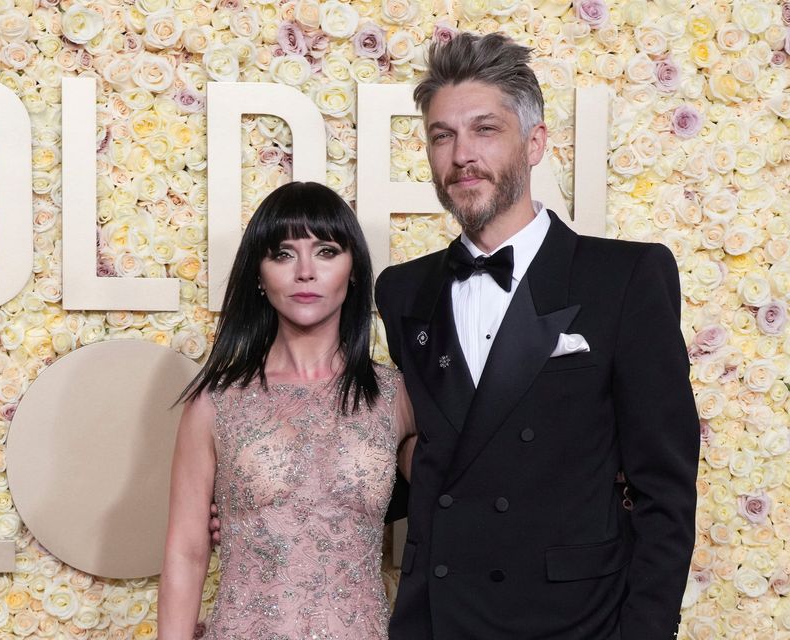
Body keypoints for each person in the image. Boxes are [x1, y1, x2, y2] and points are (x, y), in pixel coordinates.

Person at [374, 33, 700, 639]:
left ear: (536, 142)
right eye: (442, 136)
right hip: (436, 617)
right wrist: (281, 493)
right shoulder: (401, 291)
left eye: (485, 130)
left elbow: (665, 489)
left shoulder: (624, 277)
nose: (462, 155)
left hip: (574, 621)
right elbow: (432, 450)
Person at [158, 181, 416, 640]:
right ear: (258, 274)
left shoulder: (396, 396)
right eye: (282, 254)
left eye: (326, 251)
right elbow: (186, 552)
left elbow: (462, 500)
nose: (304, 272)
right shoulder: (215, 402)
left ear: (354, 268)